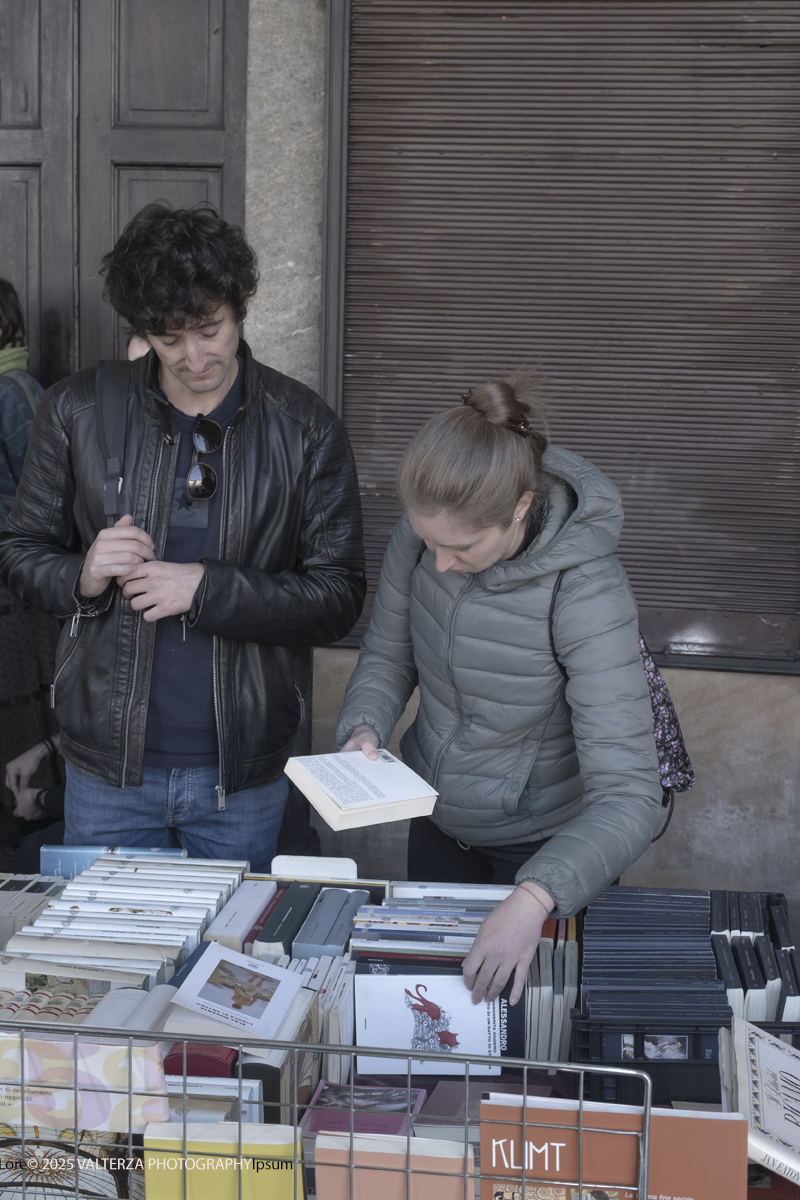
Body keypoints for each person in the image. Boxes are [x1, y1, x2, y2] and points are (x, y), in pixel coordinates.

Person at [0, 203, 366, 870]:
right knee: (108, 964)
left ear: (242, 304)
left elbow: (339, 596)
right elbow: (20, 553)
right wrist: (82, 573)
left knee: (230, 964)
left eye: (210, 330)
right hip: (106, 770)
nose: (195, 358)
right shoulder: (78, 409)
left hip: (242, 774)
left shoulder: (305, 426)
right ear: (142, 330)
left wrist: (207, 588)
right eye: (170, 340)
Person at [335, 370, 661, 1006]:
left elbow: (630, 797)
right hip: (436, 816)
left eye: (462, 547)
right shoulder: (427, 535)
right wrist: (365, 725)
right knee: (427, 1015)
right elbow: (388, 653)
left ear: (518, 508)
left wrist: (535, 899)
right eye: (427, 539)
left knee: (527, 1037)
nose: (440, 563)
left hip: (545, 846)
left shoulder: (585, 591)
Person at [0, 279, 60, 810]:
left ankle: (28, 820)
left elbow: (41, 497)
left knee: (19, 710)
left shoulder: (15, 391)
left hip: (15, 588)